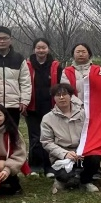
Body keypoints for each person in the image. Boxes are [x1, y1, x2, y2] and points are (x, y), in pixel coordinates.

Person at [40, 84, 101, 193]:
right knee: (65, 176)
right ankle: (62, 179)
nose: (62, 97)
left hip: (83, 152)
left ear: (71, 96)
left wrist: (84, 150)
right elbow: (47, 142)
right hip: (61, 154)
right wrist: (64, 154)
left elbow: (92, 134)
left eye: (64, 94)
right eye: (58, 95)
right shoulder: (47, 119)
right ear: (54, 98)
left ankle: (86, 181)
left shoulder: (84, 114)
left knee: (95, 157)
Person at [25, 38, 62, 178]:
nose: (41, 50)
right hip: (32, 107)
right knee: (34, 137)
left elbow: (61, 86)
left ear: (48, 49)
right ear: (34, 49)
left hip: (50, 106)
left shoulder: (56, 66)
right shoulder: (27, 65)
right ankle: (35, 166)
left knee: (50, 137)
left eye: (44, 47)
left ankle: (49, 167)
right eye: (38, 48)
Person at [0, 103, 28, 195]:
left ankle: (12, 183)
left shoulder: (13, 132)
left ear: (5, 116)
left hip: (7, 162)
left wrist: (7, 169)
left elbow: (20, 153)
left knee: (1, 165)